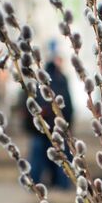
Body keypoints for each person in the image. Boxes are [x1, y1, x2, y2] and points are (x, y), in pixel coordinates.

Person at [25, 46, 75, 189]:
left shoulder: (44, 82)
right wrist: (66, 125)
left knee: (43, 158)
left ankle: (36, 183)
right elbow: (68, 106)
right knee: (58, 158)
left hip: (43, 129)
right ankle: (61, 184)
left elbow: (30, 106)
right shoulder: (59, 81)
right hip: (51, 129)